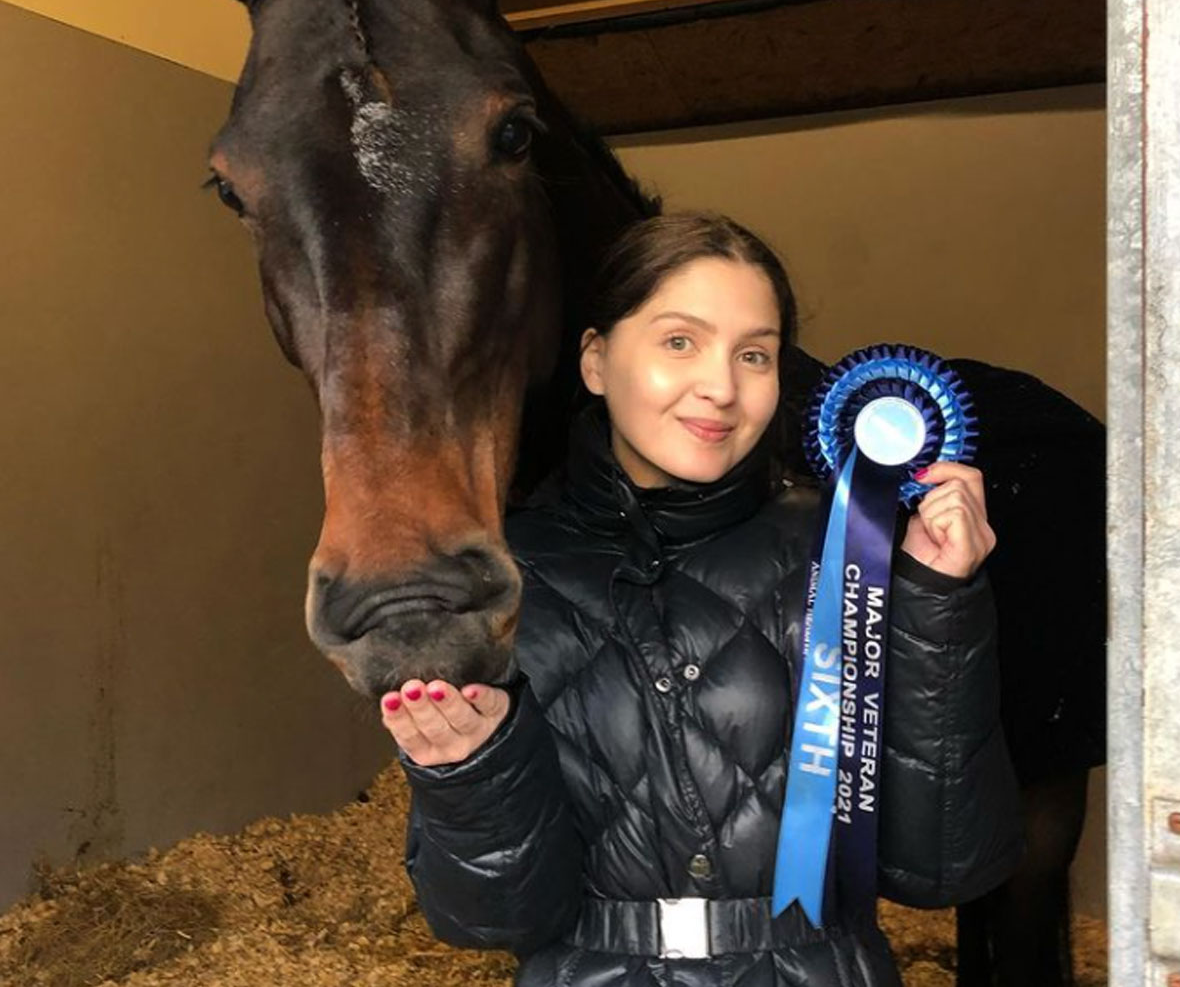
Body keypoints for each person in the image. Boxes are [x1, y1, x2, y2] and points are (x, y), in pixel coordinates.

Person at [379, 212, 1023, 987]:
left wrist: (937, 610)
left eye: (754, 354)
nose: (721, 387)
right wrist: (471, 772)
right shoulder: (505, 576)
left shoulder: (849, 553)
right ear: (595, 359)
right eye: (679, 341)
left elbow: (944, 869)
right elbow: (490, 918)